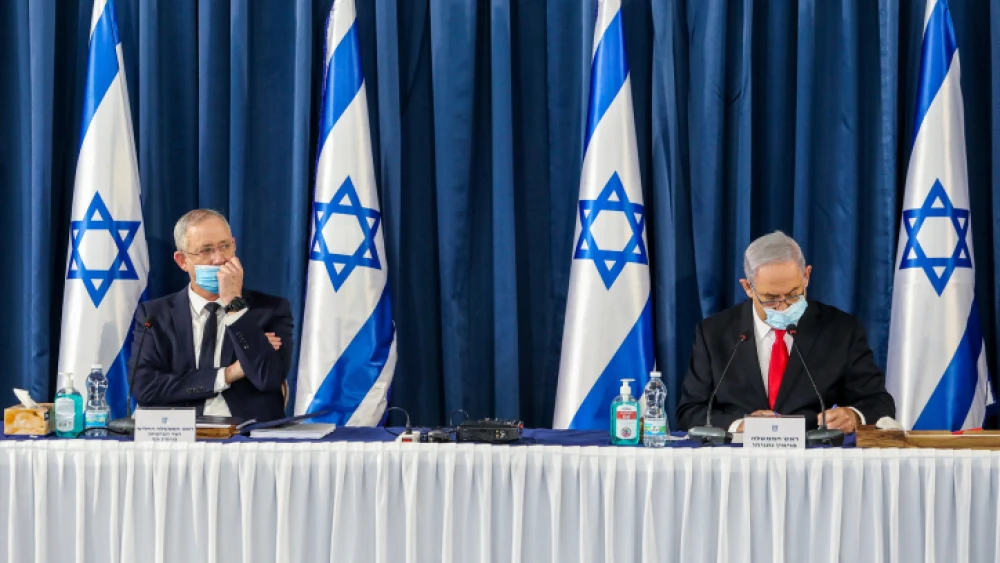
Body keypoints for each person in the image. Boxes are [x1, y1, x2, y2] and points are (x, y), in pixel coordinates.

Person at [676, 231, 895, 435]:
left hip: (814, 460)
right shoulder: (714, 333)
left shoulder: (841, 330)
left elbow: (879, 403)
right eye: (771, 299)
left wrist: (854, 416)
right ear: (748, 288)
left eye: (793, 295)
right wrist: (739, 425)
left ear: (806, 276)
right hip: (737, 463)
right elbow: (689, 413)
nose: (784, 307)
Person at [128, 209, 294, 422]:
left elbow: (268, 379)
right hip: (177, 436)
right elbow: (146, 389)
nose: (218, 259)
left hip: (247, 438)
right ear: (182, 261)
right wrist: (228, 374)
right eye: (206, 250)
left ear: (234, 246)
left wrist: (235, 305)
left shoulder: (270, 310)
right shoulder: (154, 315)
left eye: (225, 246)